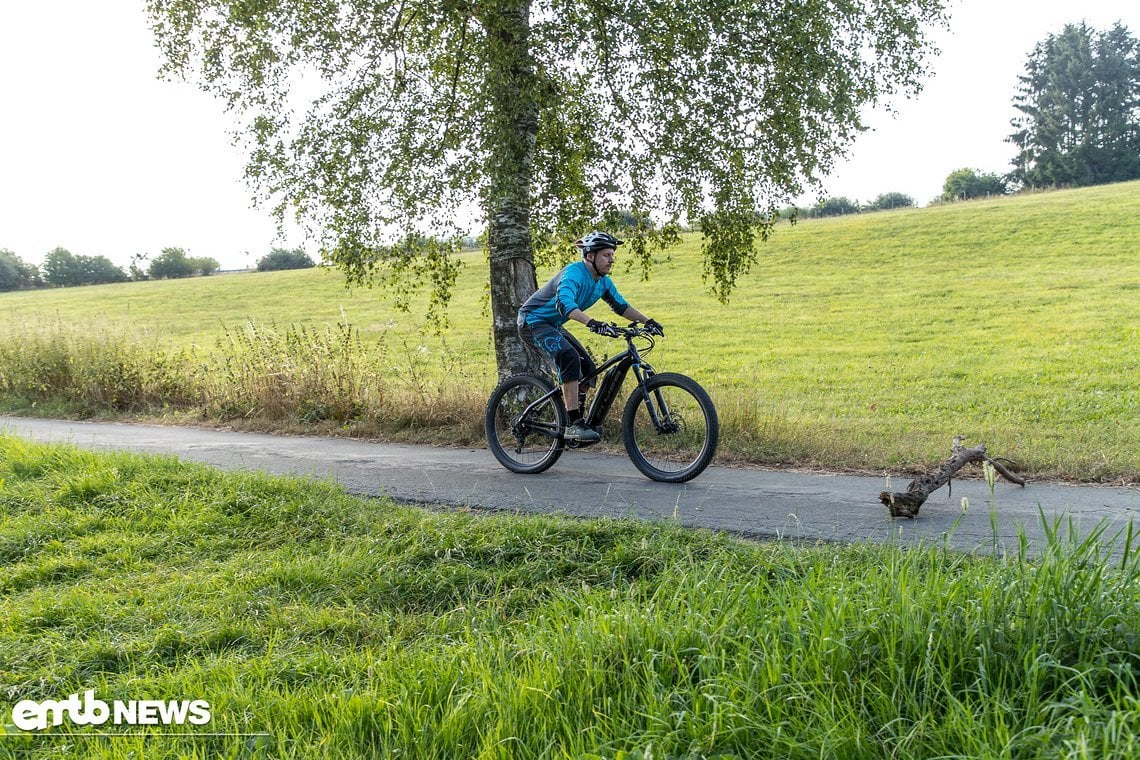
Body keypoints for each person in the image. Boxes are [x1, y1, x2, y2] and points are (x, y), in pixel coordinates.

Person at [517, 231, 664, 443]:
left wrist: (647, 321)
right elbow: (565, 304)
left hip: (553, 324)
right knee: (568, 358)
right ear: (590, 256)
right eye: (606, 255)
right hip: (533, 321)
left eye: (613, 254)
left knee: (587, 369)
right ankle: (574, 423)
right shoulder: (573, 274)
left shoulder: (603, 281)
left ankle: (575, 418)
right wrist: (592, 323)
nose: (612, 259)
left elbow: (621, 306)